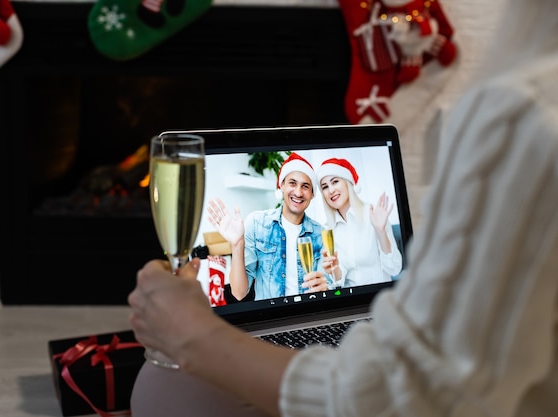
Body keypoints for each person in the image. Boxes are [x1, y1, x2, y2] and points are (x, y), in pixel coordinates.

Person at [128, 1, 558, 415]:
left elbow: (412, 395)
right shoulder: (263, 223)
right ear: (280, 188)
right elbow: (243, 296)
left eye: (314, 183)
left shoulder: (525, 110)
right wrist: (238, 246)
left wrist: (193, 335)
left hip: (366, 330)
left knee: (161, 386)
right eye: (299, 182)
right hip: (318, 324)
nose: (305, 190)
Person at [205, 151, 329, 301]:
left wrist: (326, 288)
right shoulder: (257, 224)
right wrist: (237, 245)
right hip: (272, 318)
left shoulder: (321, 234)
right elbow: (239, 293)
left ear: (312, 194)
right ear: (281, 185)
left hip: (310, 316)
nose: (298, 192)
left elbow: (327, 285)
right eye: (292, 183)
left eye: (305, 186)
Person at [316, 157, 402, 288]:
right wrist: (335, 268)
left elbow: (394, 269)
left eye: (335, 182)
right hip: (351, 302)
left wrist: (381, 231)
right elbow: (340, 281)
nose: (331, 190)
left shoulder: (373, 214)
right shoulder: (328, 229)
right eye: (325, 187)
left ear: (348, 182)